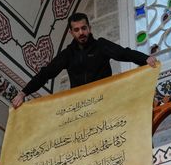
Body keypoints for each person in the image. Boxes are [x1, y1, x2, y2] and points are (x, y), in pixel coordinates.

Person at [11, 13, 158, 109]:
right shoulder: (68, 54)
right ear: (71, 32)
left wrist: (145, 59)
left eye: (84, 28)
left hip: (105, 99)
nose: (81, 33)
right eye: (76, 30)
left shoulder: (101, 45)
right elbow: (46, 73)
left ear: (89, 28)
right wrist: (23, 93)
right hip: (80, 106)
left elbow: (124, 53)